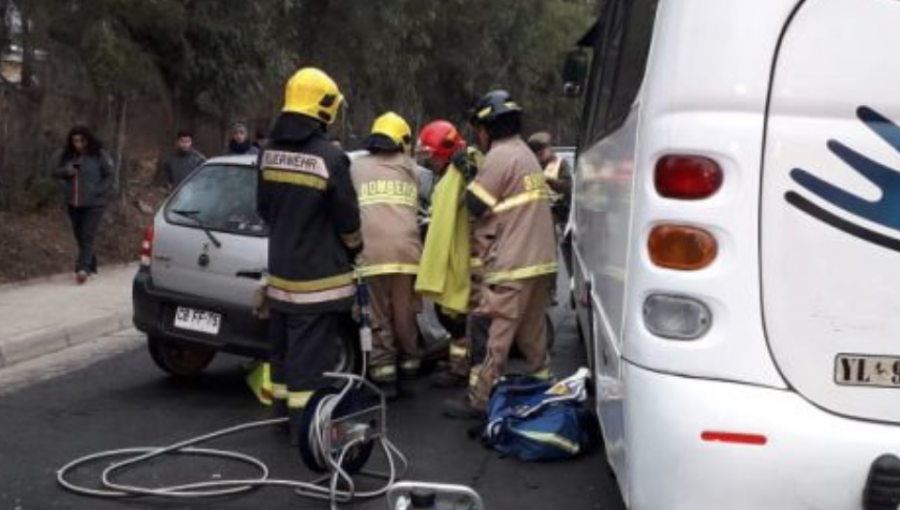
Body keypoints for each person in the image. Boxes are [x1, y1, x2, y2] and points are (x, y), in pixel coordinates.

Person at [256, 67, 362, 441]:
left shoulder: (268, 154)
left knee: (281, 355)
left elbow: (264, 210)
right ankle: (308, 434)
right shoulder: (330, 159)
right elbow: (348, 220)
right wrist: (354, 248)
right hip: (318, 282)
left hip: (280, 276)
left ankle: (282, 419)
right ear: (325, 106)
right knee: (308, 363)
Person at [445, 90, 558, 419]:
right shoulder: (524, 153)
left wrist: (468, 173)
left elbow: (476, 204)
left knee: (496, 336)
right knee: (533, 334)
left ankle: (479, 401)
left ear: (488, 128)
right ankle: (543, 389)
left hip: (514, 264)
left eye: (478, 129)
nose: (477, 136)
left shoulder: (499, 156)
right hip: (541, 262)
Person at [351, 112, 422, 398]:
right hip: (407, 252)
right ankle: (410, 367)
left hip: (371, 254)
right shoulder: (411, 167)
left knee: (377, 315)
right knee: (404, 314)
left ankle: (384, 375)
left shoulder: (355, 167)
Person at [415, 119, 482, 389]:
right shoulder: (454, 171)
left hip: (470, 258)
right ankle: (459, 367)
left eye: (431, 156)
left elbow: (444, 225)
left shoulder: (466, 165)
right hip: (463, 256)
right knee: (453, 316)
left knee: (466, 318)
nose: (429, 162)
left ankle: (473, 377)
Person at [52, 126, 114, 284]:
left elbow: (109, 176)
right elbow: (54, 172)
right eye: (75, 140)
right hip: (73, 202)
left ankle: (82, 269)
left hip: (95, 203)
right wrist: (67, 172)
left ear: (88, 140)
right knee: (79, 235)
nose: (78, 143)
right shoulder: (67, 155)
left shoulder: (99, 155)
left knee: (87, 234)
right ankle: (91, 264)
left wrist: (99, 191)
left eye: (81, 140)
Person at [527, 131, 572, 234]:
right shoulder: (531, 166)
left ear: (549, 149)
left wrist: (549, 180)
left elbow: (567, 187)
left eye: (541, 152)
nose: (539, 156)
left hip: (557, 213)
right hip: (536, 213)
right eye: (536, 154)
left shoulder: (560, 164)